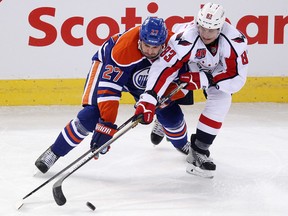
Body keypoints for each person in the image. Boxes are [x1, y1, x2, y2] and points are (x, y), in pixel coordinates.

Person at [35, 17, 192, 174]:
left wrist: (157, 101)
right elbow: (109, 90)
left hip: (148, 74)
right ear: (140, 39)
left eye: (155, 47)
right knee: (92, 116)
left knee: (170, 114)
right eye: (146, 45)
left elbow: (183, 81)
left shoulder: (176, 46)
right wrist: (106, 126)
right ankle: (55, 152)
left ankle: (181, 143)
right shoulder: (123, 50)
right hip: (109, 67)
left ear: (163, 43)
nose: (150, 51)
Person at [134, 2, 249, 178]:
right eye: (202, 28)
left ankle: (198, 151)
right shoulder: (185, 37)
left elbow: (236, 79)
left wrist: (205, 79)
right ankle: (163, 121)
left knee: (222, 99)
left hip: (219, 70)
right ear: (197, 23)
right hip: (190, 62)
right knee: (173, 88)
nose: (205, 34)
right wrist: (149, 98)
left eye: (211, 30)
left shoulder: (235, 41)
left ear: (221, 26)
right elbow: (163, 66)